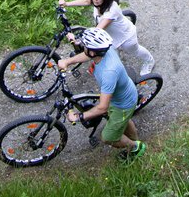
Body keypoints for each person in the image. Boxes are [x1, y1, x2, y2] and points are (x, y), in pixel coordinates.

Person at [57, 27, 146, 160]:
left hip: (122, 105)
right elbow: (87, 54)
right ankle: (134, 139)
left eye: (85, 45)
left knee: (108, 137)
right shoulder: (104, 50)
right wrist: (67, 62)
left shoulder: (109, 72)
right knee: (124, 121)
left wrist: (80, 116)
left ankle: (135, 148)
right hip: (121, 95)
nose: (82, 46)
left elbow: (102, 107)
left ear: (93, 51)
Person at [58, 0, 155, 76]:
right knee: (109, 56)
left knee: (134, 50)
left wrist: (78, 38)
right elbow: (87, 1)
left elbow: (97, 31)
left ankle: (149, 61)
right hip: (110, 37)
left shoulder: (111, 10)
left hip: (126, 37)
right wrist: (67, 4)